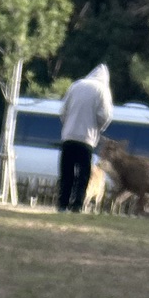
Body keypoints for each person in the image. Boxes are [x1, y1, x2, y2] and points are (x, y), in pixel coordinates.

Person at [57, 63, 111, 212]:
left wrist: (68, 125)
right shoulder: (102, 90)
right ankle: (77, 205)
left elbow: (63, 111)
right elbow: (105, 116)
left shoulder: (76, 85)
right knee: (83, 175)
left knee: (66, 173)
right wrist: (97, 128)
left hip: (68, 137)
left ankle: (62, 204)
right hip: (86, 139)